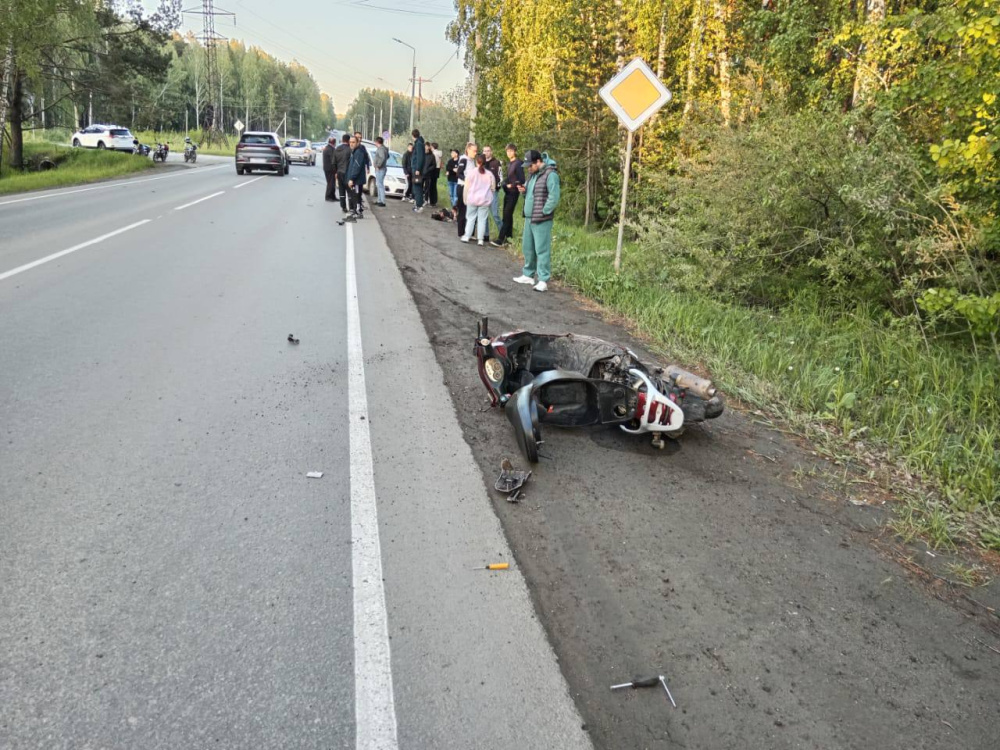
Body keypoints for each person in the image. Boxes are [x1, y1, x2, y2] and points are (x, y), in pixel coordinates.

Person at [513, 150, 560, 292]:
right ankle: (528, 274)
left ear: (538, 162)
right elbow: (530, 193)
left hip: (541, 219)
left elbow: (554, 196)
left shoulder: (551, 175)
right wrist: (523, 191)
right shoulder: (532, 175)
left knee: (542, 250)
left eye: (530, 165)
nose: (528, 168)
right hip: (529, 217)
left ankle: (543, 280)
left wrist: (545, 211)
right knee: (528, 248)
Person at [491, 143, 524, 246]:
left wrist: (512, 185)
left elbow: (522, 179)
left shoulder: (518, 163)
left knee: (506, 215)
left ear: (515, 151)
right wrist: (505, 184)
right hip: (507, 193)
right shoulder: (510, 163)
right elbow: (508, 178)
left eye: (511, 151)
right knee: (508, 216)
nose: (509, 153)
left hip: (514, 193)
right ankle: (509, 239)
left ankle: (500, 239)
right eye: (507, 151)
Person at [461, 153, 496, 246]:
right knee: (482, 220)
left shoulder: (471, 172)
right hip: (484, 200)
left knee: (470, 218)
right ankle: (480, 239)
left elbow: (466, 187)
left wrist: (465, 198)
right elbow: (493, 188)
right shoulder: (490, 174)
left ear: (477, 162)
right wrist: (490, 197)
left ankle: (467, 236)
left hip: (472, 199)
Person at [455, 142, 477, 237]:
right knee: (463, 210)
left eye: (476, 151)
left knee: (470, 210)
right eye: (474, 151)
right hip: (462, 187)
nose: (475, 153)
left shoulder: (473, 160)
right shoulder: (464, 159)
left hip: (471, 188)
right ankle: (461, 232)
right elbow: (459, 173)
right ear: (468, 150)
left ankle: (469, 232)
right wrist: (467, 180)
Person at [482, 145, 503, 240]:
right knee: (484, 214)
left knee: (495, 214)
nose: (486, 153)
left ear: (491, 152)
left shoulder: (496, 163)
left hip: (493, 191)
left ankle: (503, 235)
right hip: (483, 192)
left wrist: (497, 187)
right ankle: (486, 235)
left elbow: (500, 177)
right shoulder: (480, 163)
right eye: (484, 151)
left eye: (488, 151)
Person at [345, 135, 368, 221]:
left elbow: (356, 167)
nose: (351, 144)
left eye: (353, 142)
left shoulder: (358, 152)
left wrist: (352, 178)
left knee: (357, 195)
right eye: (350, 142)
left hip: (357, 180)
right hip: (355, 179)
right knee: (355, 195)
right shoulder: (354, 151)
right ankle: (356, 211)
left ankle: (358, 212)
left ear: (358, 143)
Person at [334, 133, 352, 213]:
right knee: (350, 191)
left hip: (339, 172)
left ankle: (343, 206)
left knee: (341, 190)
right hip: (348, 173)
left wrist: (336, 172)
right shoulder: (350, 149)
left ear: (342, 140)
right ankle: (351, 207)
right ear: (348, 141)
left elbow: (333, 162)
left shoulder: (337, 149)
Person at [410, 128, 426, 212]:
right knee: (417, 186)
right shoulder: (419, 143)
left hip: (417, 169)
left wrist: (418, 169)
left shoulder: (418, 144)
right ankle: (418, 204)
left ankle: (419, 206)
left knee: (417, 187)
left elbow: (420, 157)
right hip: (416, 168)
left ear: (413, 136)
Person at [373, 136, 389, 207]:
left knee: (380, 185)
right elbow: (387, 156)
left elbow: (382, 157)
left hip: (380, 169)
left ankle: (382, 201)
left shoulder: (381, 149)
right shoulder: (384, 148)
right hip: (382, 168)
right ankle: (379, 200)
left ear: (377, 142)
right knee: (379, 185)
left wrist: (378, 165)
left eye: (375, 142)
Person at [322, 136, 339, 203]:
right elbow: (333, 160)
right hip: (330, 169)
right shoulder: (330, 149)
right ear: (334, 142)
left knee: (332, 183)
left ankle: (332, 196)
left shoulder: (329, 148)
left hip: (328, 168)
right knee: (330, 183)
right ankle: (328, 196)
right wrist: (335, 169)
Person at [422, 142, 436, 209]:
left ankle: (426, 200)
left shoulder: (432, 156)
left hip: (428, 174)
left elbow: (434, 165)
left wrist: (428, 169)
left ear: (429, 147)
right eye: (425, 146)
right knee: (420, 186)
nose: (426, 148)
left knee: (427, 188)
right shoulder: (421, 154)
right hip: (421, 174)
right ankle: (419, 199)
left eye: (427, 146)